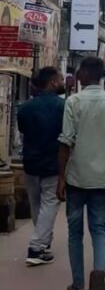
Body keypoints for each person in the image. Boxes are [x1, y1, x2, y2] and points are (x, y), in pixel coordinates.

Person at [57, 56, 105, 290]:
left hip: (76, 177)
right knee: (99, 229)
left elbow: (66, 141)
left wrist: (61, 179)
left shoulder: (73, 102)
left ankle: (77, 285)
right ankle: (99, 270)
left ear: (86, 74)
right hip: (103, 178)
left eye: (78, 72)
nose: (76, 76)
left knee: (74, 232)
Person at [17, 66, 66, 267]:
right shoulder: (62, 107)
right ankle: (36, 248)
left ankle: (43, 245)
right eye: (61, 79)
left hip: (30, 163)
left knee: (37, 206)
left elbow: (22, 131)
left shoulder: (25, 107)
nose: (63, 81)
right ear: (53, 82)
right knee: (49, 207)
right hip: (53, 165)